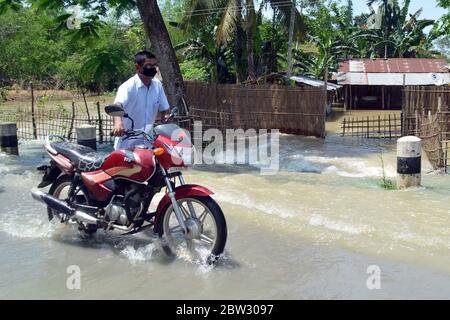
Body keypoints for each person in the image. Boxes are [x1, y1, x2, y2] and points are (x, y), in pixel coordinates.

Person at [112, 51, 170, 150]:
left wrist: (166, 115)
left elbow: (164, 108)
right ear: (137, 67)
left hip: (148, 143)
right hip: (127, 145)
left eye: (154, 65)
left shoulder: (157, 85)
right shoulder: (128, 87)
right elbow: (117, 105)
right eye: (148, 65)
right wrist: (118, 123)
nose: (152, 68)